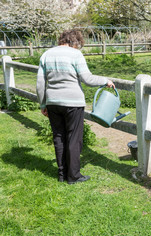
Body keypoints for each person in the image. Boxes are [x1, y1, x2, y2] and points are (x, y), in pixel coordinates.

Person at [36, 29, 115, 184]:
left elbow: (40, 83)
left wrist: (43, 103)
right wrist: (105, 80)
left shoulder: (46, 55)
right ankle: (73, 176)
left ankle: (62, 174)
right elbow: (87, 79)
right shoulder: (75, 54)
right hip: (73, 103)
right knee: (74, 139)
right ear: (75, 42)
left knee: (59, 137)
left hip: (53, 103)